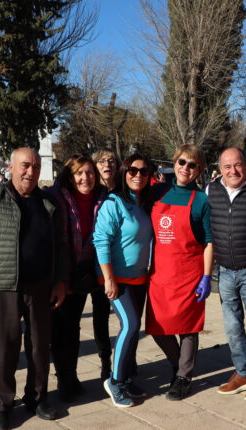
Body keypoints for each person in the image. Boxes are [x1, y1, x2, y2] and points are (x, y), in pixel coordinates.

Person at [0, 148, 68, 430]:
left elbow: (60, 245)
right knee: (4, 347)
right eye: (25, 165)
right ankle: (1, 403)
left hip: (41, 287)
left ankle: (37, 397)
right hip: (4, 287)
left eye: (36, 166)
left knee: (39, 347)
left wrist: (60, 281)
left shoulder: (48, 203)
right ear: (11, 167)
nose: (31, 171)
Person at [147, 144, 213, 401]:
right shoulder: (157, 192)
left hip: (189, 272)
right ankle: (178, 367)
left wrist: (207, 276)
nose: (186, 168)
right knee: (156, 327)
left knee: (188, 328)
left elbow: (209, 241)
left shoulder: (201, 201)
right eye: (182, 162)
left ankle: (184, 377)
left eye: (193, 164)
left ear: (200, 170)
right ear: (174, 164)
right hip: (160, 272)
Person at [47, 154, 112, 402]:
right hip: (63, 272)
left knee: (83, 325)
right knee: (63, 329)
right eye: (80, 173)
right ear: (71, 176)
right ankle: (65, 377)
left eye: (90, 173)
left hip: (89, 271)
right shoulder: (57, 197)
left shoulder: (102, 198)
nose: (86, 178)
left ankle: (79, 374)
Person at [207, 148, 246, 402]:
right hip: (225, 271)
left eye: (238, 165)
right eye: (227, 166)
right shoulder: (211, 190)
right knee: (232, 328)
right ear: (220, 168)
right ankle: (242, 372)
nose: (233, 171)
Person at [93, 153, 155, 407]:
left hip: (138, 277)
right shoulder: (113, 202)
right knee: (129, 325)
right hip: (115, 277)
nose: (138, 175)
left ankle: (127, 377)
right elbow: (100, 240)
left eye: (143, 171)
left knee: (133, 327)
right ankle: (115, 381)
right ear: (123, 172)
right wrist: (108, 278)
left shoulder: (141, 202)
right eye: (132, 170)